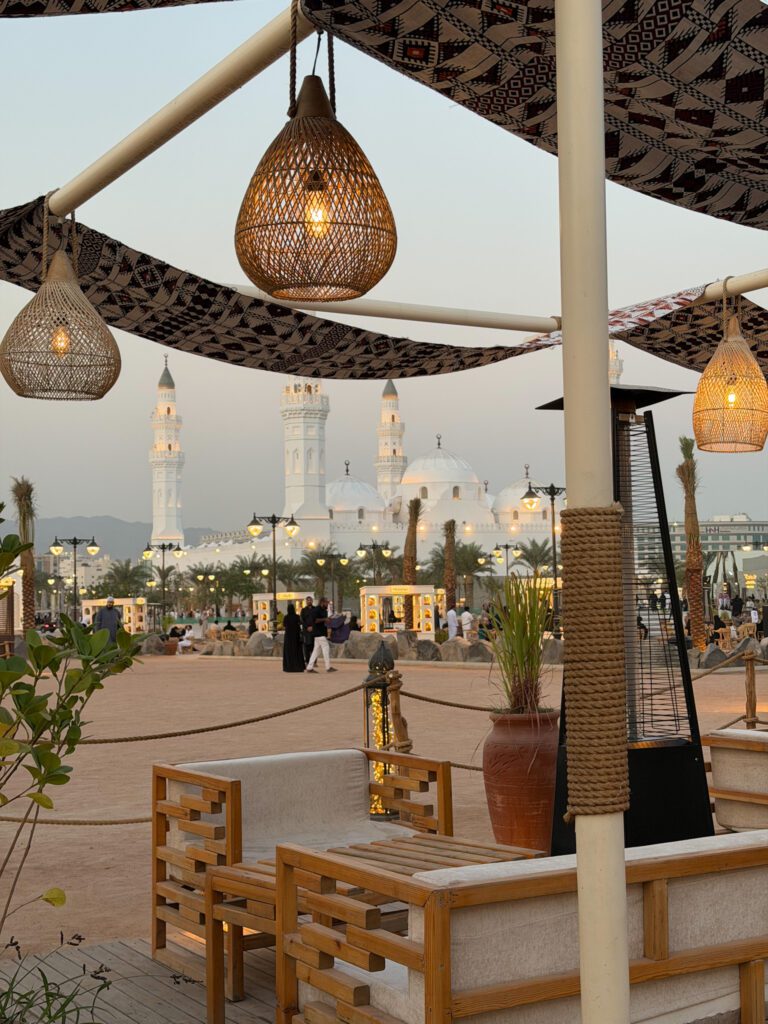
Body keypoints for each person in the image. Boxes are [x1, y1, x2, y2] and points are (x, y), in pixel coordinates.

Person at [305, 597, 336, 673]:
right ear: (322, 602)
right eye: (326, 603)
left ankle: (309, 667)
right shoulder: (316, 610)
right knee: (326, 648)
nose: (327, 604)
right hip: (319, 633)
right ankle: (328, 667)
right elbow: (315, 620)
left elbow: (323, 620)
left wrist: (328, 619)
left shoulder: (324, 610)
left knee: (316, 651)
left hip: (320, 633)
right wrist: (325, 619)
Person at [282, 603, 305, 673]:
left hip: (288, 637)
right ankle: (298, 666)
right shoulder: (297, 617)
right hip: (296, 636)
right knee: (297, 651)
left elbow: (284, 625)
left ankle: (289, 667)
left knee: (289, 652)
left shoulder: (286, 617)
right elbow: (301, 623)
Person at [300, 597, 315, 664]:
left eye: (310, 600)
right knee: (306, 646)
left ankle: (314, 661)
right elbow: (302, 620)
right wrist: (307, 627)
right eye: (308, 600)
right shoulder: (303, 610)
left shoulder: (315, 609)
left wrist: (312, 627)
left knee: (314, 646)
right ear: (306, 602)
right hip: (306, 631)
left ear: (312, 601)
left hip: (314, 630)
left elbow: (316, 619)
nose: (309, 601)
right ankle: (307, 661)